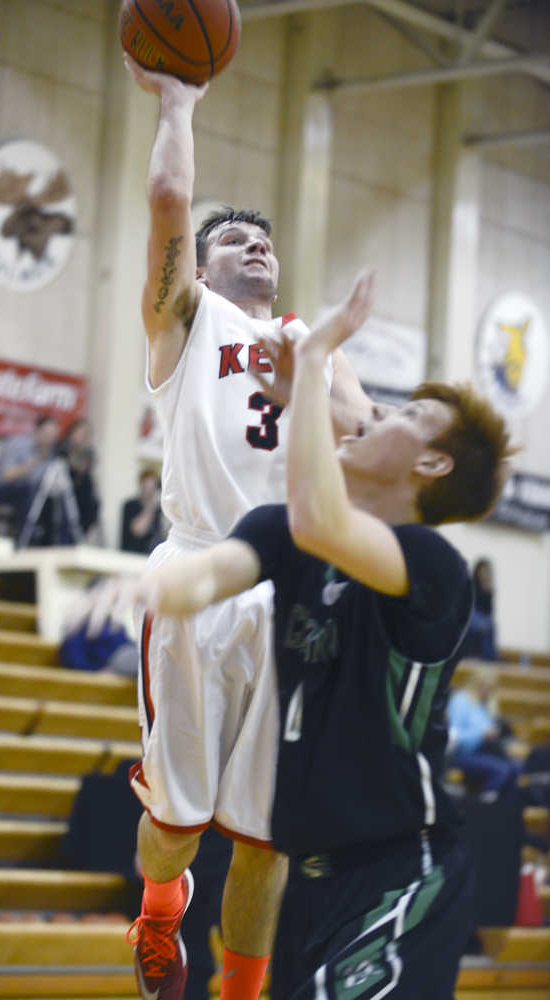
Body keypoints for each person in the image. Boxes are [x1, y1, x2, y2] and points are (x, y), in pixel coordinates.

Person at [98, 273, 513, 999]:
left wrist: (315, 359)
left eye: (402, 414)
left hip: (398, 875)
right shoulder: (286, 536)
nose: (375, 412)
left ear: (431, 463)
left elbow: (320, 516)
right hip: (310, 888)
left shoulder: (433, 568)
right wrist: (140, 589)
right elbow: (205, 577)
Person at [121, 54, 373, 1000]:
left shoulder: (316, 342)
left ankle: (240, 991)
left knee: (267, 837)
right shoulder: (182, 323)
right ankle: (158, 910)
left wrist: (321, 389)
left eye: (261, 240)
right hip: (198, 577)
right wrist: (179, 103)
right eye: (229, 237)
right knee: (179, 826)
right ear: (202, 264)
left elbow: (363, 434)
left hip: (292, 600)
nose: (251, 244)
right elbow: (166, 198)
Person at [0, 413, 80, 546]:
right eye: (47, 433)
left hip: (32, 494)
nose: (49, 439)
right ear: (37, 431)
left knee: (57, 499)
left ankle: (64, 545)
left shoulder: (53, 454)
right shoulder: (16, 444)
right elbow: (7, 476)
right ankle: (24, 542)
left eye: (53, 435)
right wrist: (37, 461)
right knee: (31, 492)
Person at [447, 667, 521, 800]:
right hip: (460, 754)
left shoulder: (486, 705)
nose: (488, 691)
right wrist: (481, 734)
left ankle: (505, 808)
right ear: (476, 684)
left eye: (491, 688)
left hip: (482, 752)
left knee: (515, 769)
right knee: (500, 770)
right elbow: (453, 735)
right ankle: (486, 808)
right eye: (485, 687)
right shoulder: (460, 701)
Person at [58, 419, 100, 538]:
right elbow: (72, 465)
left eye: (86, 434)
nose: (83, 436)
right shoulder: (62, 448)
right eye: (81, 432)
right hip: (64, 488)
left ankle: (84, 532)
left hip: (82, 491)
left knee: (92, 497)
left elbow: (84, 468)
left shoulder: (89, 452)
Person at [120, 468, 165, 555]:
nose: (150, 490)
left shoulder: (158, 509)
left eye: (153, 486)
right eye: (147, 485)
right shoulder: (130, 505)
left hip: (151, 556)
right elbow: (138, 531)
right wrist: (151, 506)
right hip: (131, 554)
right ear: (141, 485)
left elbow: (163, 534)